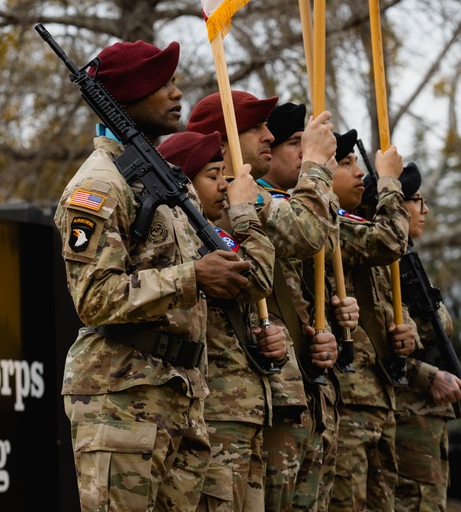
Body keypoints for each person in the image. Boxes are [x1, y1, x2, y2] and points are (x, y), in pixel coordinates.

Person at [55, 39, 255, 512]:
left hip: (178, 395)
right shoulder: (99, 185)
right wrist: (193, 277)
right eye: (162, 83)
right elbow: (94, 299)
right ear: (126, 95)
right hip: (122, 400)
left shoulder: (162, 178)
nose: (177, 92)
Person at [158, 129, 284, 512]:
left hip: (246, 412)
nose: (225, 187)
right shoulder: (188, 238)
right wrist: (246, 213)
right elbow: (257, 277)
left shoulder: (215, 237)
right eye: (213, 176)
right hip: (216, 415)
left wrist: (275, 337)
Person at [256, 102, 359, 511]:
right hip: (274, 405)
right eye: (294, 143)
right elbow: (306, 233)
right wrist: (317, 164)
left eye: (305, 143)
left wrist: (331, 329)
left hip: (310, 397)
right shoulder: (253, 203)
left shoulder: (294, 205)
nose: (303, 152)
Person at [328, 132, 419, 512]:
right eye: (345, 163)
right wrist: (389, 182)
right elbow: (390, 240)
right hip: (348, 394)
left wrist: (407, 329)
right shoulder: (328, 223)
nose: (358, 172)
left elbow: (381, 303)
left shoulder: (345, 223)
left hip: (377, 391)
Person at [386, 169, 461, 512]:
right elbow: (380, 344)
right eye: (417, 200)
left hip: (427, 417)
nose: (425, 210)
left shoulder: (407, 259)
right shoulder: (385, 264)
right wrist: (429, 375)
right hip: (406, 415)